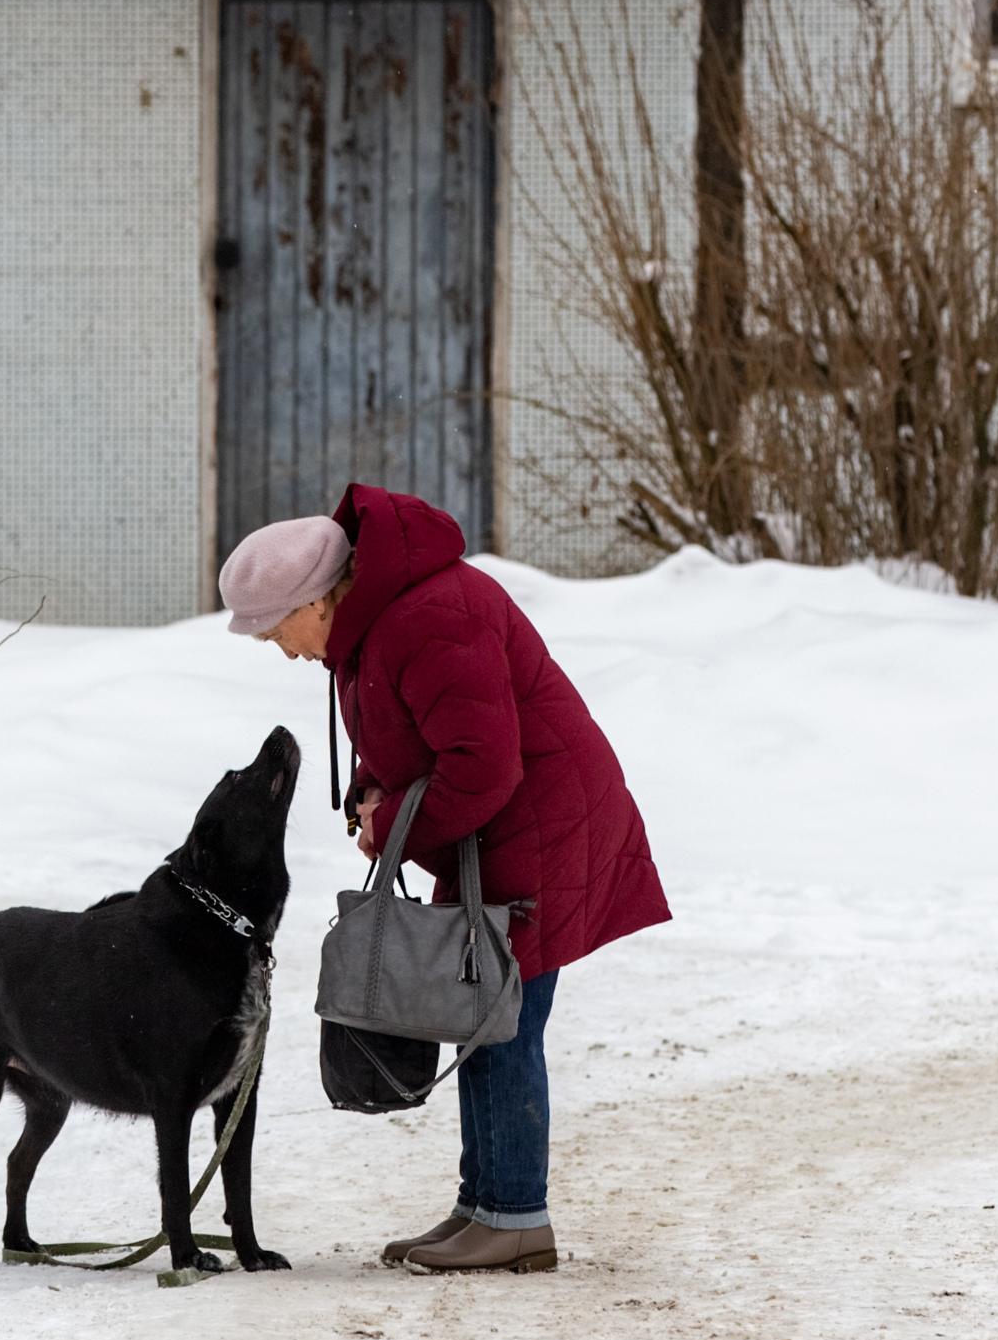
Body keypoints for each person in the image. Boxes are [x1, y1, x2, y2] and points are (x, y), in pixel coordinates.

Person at [219, 485, 669, 1275]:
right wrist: (372, 786)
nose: (281, 650)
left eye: (273, 629)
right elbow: (416, 725)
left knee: (503, 1017)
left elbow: (482, 764)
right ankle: (482, 1204)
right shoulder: (378, 620)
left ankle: (515, 1216)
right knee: (479, 1011)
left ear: (315, 601)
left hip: (540, 828)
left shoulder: (430, 617)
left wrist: (391, 825)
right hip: (495, 833)